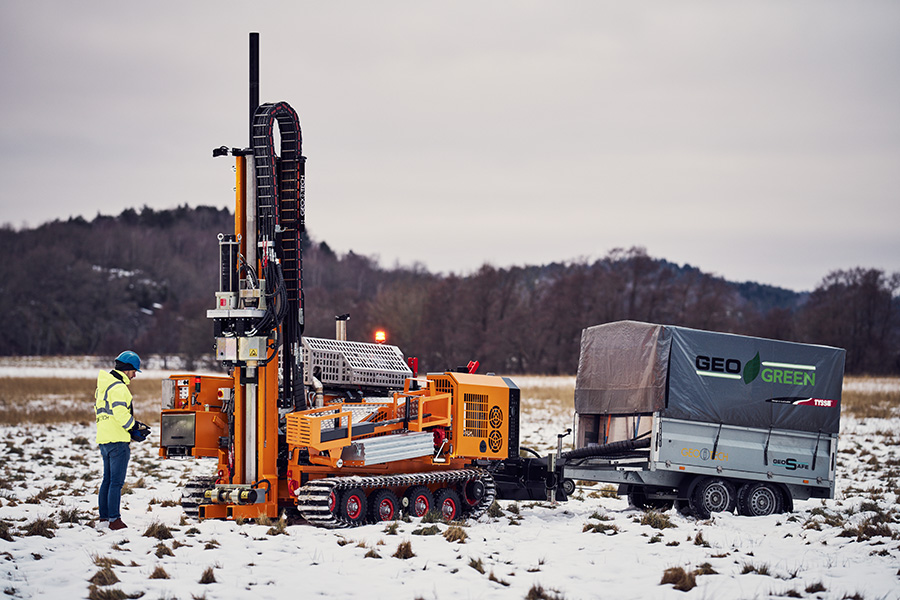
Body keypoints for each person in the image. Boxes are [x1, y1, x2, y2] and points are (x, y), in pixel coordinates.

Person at [94, 350, 142, 530]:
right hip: (118, 440)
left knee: (107, 480)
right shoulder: (120, 388)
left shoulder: (104, 387)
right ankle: (115, 520)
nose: (135, 375)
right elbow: (121, 415)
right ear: (127, 369)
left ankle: (104, 518)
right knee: (116, 482)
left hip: (104, 439)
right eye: (134, 371)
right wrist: (135, 427)